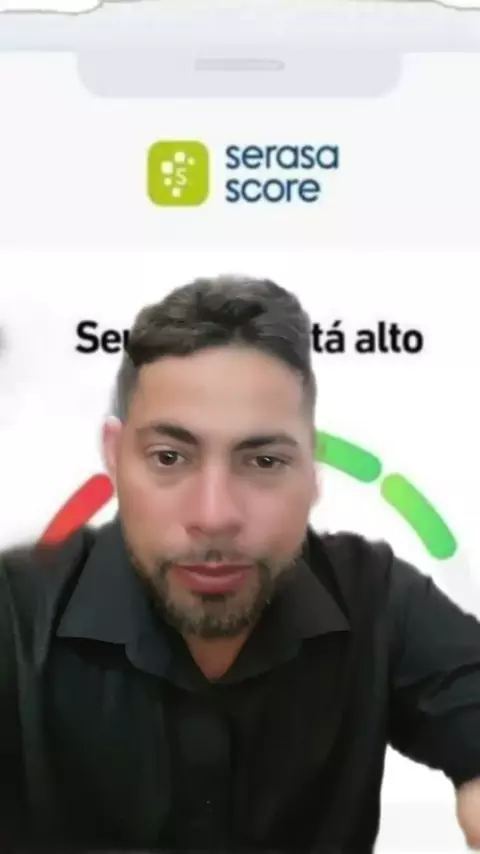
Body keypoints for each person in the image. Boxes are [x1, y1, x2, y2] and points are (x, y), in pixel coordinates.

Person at [1, 274, 480, 854]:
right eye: (169, 457)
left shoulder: (376, 599)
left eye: (264, 461)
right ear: (115, 457)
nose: (215, 515)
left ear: (313, 470)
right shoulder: (14, 615)